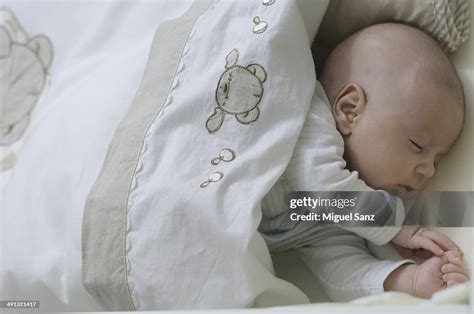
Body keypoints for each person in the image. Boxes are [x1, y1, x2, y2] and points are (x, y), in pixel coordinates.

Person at [260, 23, 469, 300]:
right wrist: (399, 226)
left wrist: (410, 279)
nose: (429, 170)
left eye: (438, 159)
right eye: (417, 145)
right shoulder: (308, 116)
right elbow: (324, 187)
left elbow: (344, 273)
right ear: (349, 111)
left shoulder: (336, 218)